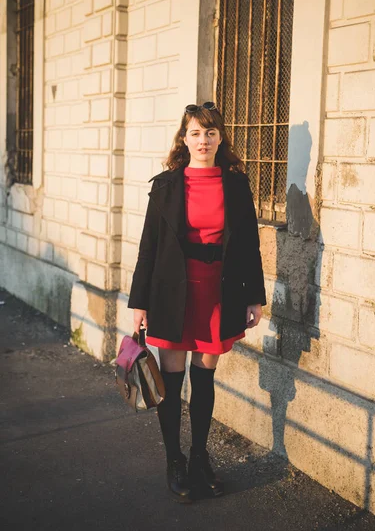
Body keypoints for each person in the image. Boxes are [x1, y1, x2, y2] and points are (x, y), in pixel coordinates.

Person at [127, 102, 266, 503]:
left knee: (204, 378)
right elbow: (147, 248)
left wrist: (254, 296)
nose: (202, 140)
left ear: (220, 138)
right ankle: (175, 460)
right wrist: (139, 303)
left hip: (217, 291)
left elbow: (250, 246)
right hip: (171, 292)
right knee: (172, 380)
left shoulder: (237, 185)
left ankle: (200, 459)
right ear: (183, 139)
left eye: (210, 133)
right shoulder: (166, 186)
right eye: (194, 133)